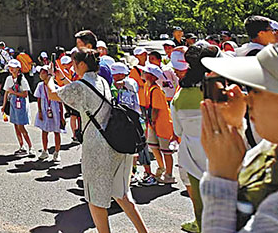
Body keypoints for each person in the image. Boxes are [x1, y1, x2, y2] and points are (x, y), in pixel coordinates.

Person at [199, 41, 278, 232]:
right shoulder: (273, 148)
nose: (247, 98)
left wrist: (220, 178)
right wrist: (235, 127)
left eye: (257, 90)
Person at [45, 49, 149, 233]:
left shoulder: (80, 87)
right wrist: (62, 78)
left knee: (96, 200)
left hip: (97, 149)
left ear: (82, 64)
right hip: (117, 143)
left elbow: (54, 94)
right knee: (123, 196)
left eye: (75, 63)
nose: (73, 67)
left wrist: (49, 79)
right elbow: (80, 92)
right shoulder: (101, 81)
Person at [170, 43, 218, 233]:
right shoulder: (220, 90)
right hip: (219, 155)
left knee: (199, 204)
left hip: (190, 157)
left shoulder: (179, 96)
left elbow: (178, 130)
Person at [142, 64, 177, 184]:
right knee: (153, 146)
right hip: (153, 123)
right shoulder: (149, 87)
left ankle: (169, 174)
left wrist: (151, 122)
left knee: (166, 150)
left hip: (161, 123)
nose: (143, 74)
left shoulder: (155, 90)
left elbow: (155, 110)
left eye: (146, 73)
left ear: (151, 76)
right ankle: (161, 167)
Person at [3, 60, 34, 156]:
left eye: (13, 67)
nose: (11, 69)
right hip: (13, 104)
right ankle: (21, 146)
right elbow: (6, 93)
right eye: (10, 67)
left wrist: (14, 93)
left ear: (18, 68)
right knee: (16, 126)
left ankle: (31, 147)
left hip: (21, 104)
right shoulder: (9, 79)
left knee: (21, 126)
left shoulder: (22, 79)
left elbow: (25, 94)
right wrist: (3, 106)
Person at [35, 65, 64, 161]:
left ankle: (57, 152)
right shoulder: (40, 86)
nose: (40, 74)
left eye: (43, 72)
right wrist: (39, 111)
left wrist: (61, 116)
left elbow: (60, 102)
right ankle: (45, 150)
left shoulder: (55, 87)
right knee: (44, 131)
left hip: (55, 111)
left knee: (57, 132)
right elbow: (38, 99)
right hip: (44, 110)